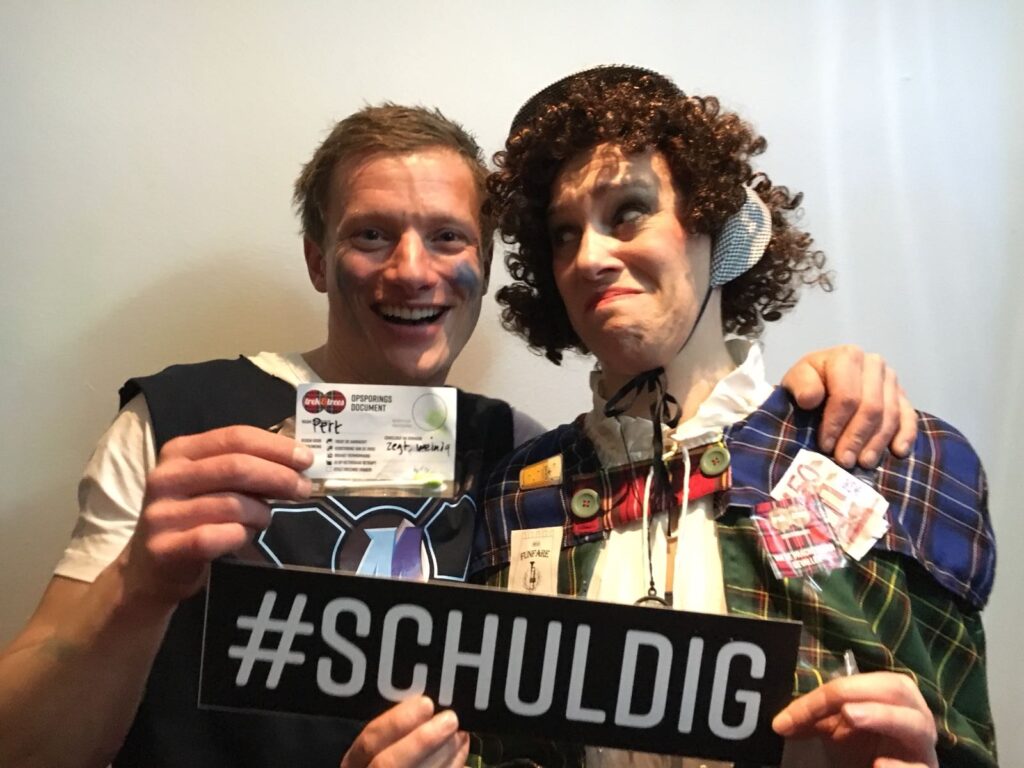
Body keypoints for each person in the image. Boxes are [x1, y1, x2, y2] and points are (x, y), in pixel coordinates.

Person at [0, 103, 916, 768]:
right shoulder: (182, 421)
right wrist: (138, 589)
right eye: (371, 234)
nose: (413, 271)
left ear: (486, 261)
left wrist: (809, 398)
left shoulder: (527, 465)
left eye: (447, 237)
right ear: (317, 257)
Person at [467, 66, 997, 767]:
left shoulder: (890, 458)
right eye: (564, 234)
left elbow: (965, 738)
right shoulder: (516, 497)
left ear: (720, 228)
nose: (589, 257)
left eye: (627, 212)